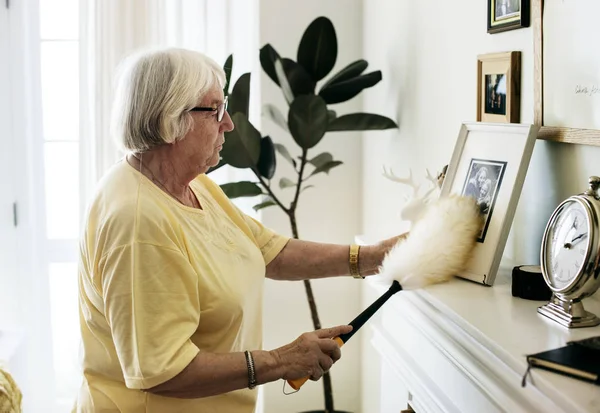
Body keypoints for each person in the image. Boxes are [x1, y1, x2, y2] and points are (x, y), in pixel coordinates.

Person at [73, 47, 404, 413]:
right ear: (171, 118)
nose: (228, 122)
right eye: (215, 109)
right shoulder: (137, 223)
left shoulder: (192, 184)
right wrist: (280, 361)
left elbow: (267, 249)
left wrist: (372, 258)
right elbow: (163, 370)